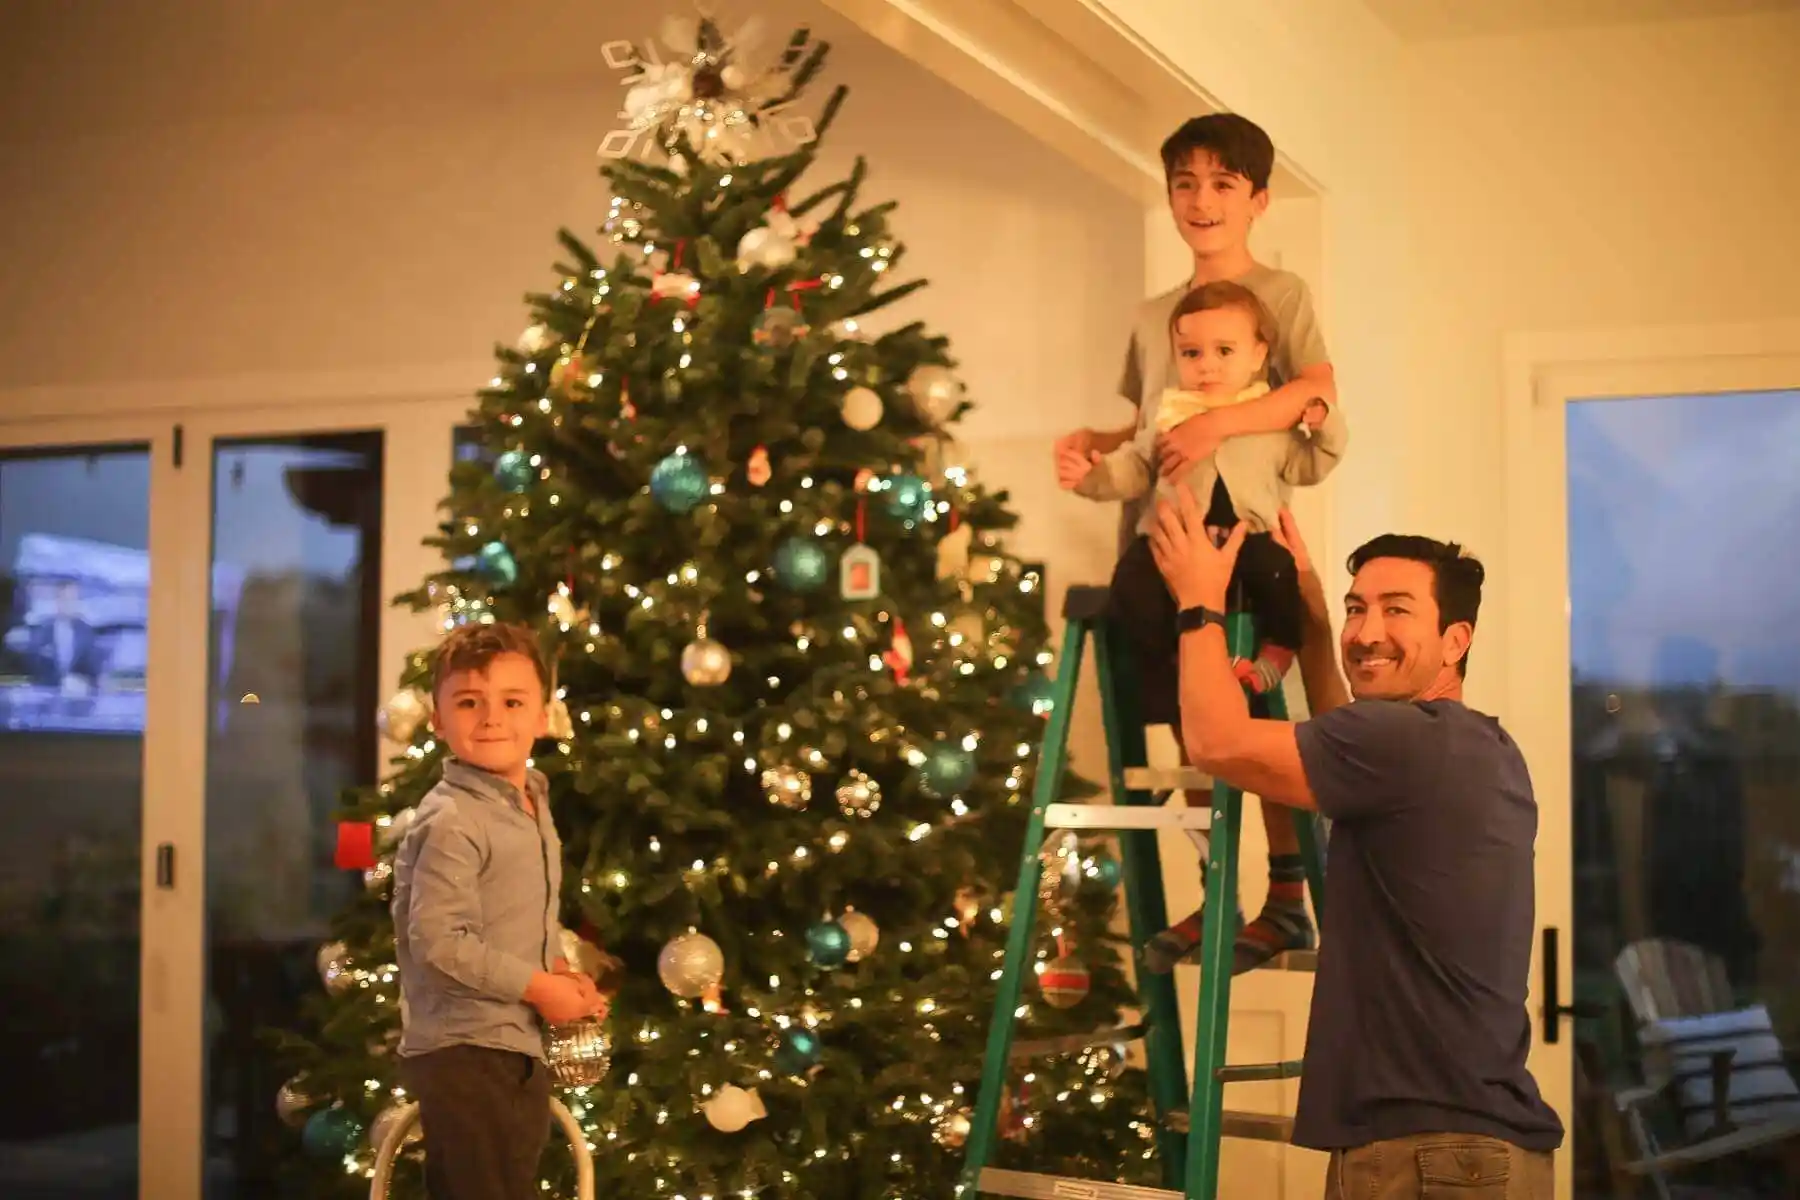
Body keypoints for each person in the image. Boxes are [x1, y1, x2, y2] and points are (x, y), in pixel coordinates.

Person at [1147, 491, 1564, 1198]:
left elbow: (1215, 741)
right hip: (1456, 1151)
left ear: (1456, 641)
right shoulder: (1471, 746)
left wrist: (1198, 602)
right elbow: (1341, 726)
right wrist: (1310, 617)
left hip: (1430, 1157)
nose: (1367, 631)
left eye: (1397, 609)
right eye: (1354, 608)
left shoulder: (1406, 744)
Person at [1055, 111, 1346, 974]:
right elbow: (1149, 426)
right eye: (1186, 183)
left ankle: (1287, 893)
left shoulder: (1280, 297)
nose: (1201, 200)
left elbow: (1313, 397)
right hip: (1162, 536)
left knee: (1249, 716)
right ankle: (1215, 892)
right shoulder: (1153, 316)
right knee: (1189, 720)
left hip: (1241, 531)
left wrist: (1223, 422)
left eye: (1222, 184)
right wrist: (1093, 447)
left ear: (1255, 199)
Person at [392, 621, 606, 1200]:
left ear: (542, 715)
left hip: (510, 1049)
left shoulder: (529, 803)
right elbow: (438, 942)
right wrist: (538, 987)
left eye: (512, 701)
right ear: (437, 719)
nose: (491, 718)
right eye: (468, 701)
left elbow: (507, 923)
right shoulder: (454, 820)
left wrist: (558, 976)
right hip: (466, 1055)